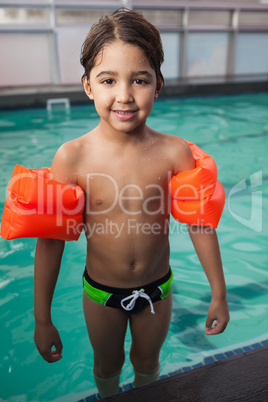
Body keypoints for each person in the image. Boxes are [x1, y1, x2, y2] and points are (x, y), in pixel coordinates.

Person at [33, 8, 229, 398]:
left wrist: (219, 294)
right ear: (88, 86)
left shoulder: (175, 153)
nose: (123, 95)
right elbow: (51, 240)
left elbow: (199, 224)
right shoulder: (72, 158)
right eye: (108, 80)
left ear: (158, 85)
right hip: (101, 293)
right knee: (107, 364)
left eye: (139, 80)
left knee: (147, 363)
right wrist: (42, 318)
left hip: (158, 289)